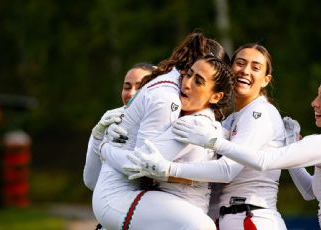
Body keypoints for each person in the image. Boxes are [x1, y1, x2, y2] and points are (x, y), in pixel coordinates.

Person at [130, 71, 321, 229]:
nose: (314, 103)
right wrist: (293, 145)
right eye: (318, 95)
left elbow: (263, 161)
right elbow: (310, 191)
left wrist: (213, 142)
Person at [128, 43, 288, 230]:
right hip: (232, 216)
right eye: (240, 63)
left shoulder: (259, 112)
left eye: (255, 67)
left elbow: (227, 170)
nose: (245, 71)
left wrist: (168, 170)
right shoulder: (231, 119)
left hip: (251, 217)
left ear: (266, 80)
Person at [89, 32, 232, 230]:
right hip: (126, 201)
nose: (187, 83)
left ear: (216, 95)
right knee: (200, 226)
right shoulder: (175, 103)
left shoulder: (197, 121)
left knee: (200, 225)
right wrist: (100, 142)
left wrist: (103, 147)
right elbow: (142, 167)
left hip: (144, 204)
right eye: (189, 73)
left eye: (199, 81)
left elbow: (141, 165)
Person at [83, 62, 155, 191]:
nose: (131, 93)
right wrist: (97, 139)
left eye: (140, 87)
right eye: (127, 87)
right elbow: (91, 181)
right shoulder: (111, 118)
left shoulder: (166, 120)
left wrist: (104, 149)